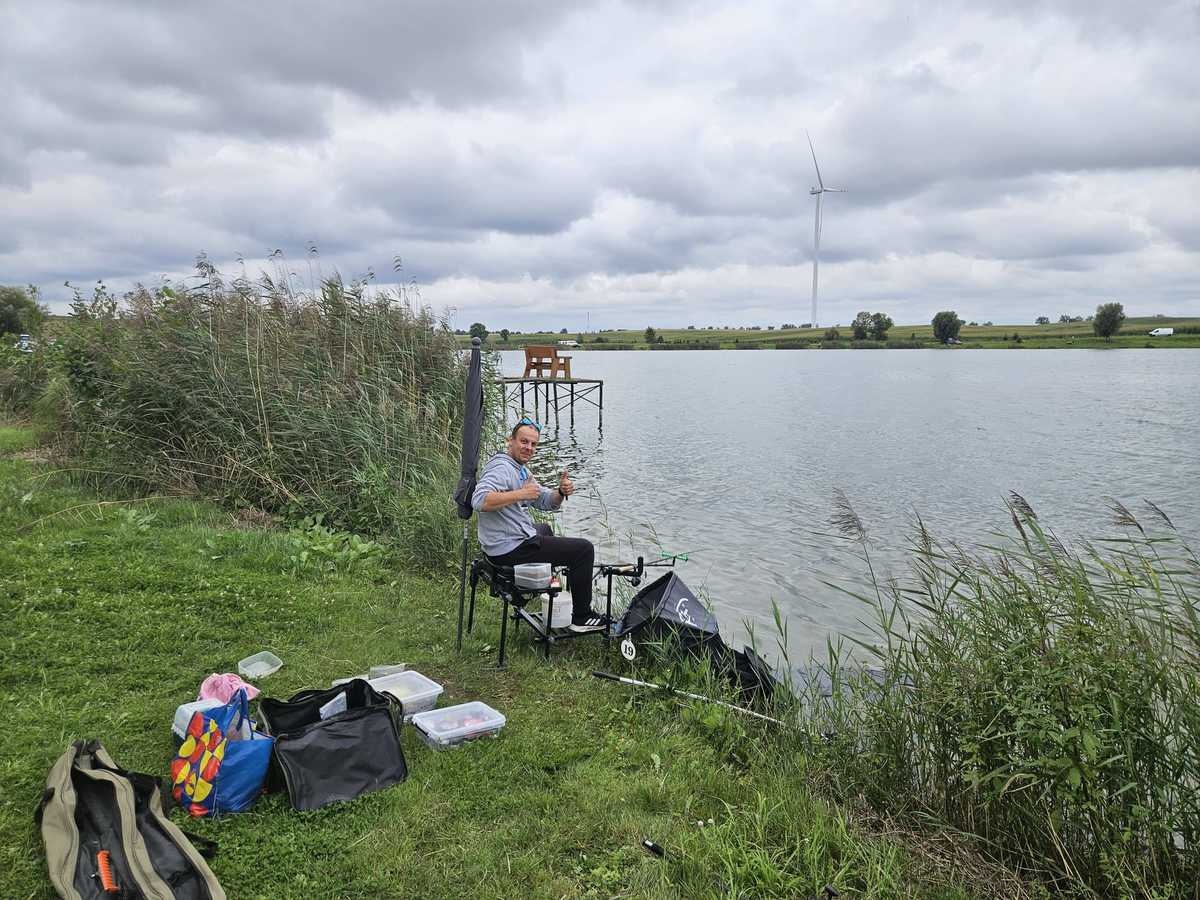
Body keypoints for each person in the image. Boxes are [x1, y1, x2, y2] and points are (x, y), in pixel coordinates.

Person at [472, 416, 607, 632]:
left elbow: (545, 500)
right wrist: (519, 494)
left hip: (504, 542)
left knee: (544, 528)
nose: (529, 448)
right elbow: (479, 501)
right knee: (583, 550)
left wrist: (561, 492)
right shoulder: (502, 468)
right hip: (507, 549)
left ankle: (548, 591)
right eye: (524, 442)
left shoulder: (519, 468)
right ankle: (582, 616)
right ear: (511, 440)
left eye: (533, 444)